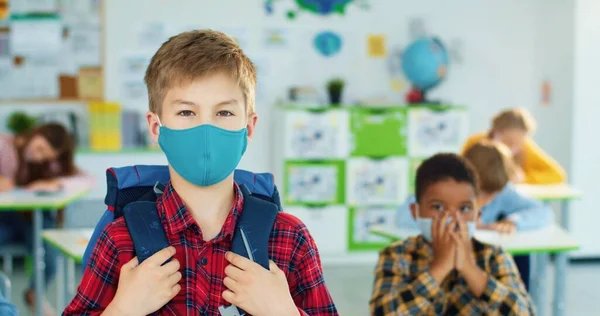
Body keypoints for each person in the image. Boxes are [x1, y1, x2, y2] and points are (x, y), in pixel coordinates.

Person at [64, 29, 337, 315]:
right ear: (156, 128)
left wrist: (283, 312)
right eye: (186, 113)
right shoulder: (120, 240)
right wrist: (123, 309)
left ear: (249, 127)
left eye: (224, 113)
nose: (206, 130)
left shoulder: (289, 239)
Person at [371, 153, 535, 315]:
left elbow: (523, 312)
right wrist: (440, 266)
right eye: (438, 207)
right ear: (416, 212)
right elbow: (383, 313)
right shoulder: (396, 255)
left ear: (477, 215)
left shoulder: (494, 256)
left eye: (464, 209)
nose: (452, 219)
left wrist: (469, 268)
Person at [0, 122, 92, 316]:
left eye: (45, 155)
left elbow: (87, 179)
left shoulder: (50, 165)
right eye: (40, 148)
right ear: (36, 134)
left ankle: (34, 294)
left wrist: (55, 183)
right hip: (5, 219)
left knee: (50, 256)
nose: (37, 156)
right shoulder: (4, 145)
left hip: (32, 220)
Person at [462, 108, 566, 184]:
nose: (512, 148)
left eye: (518, 143)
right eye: (508, 142)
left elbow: (558, 174)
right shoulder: (476, 143)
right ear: (495, 133)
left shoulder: (526, 148)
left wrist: (524, 179)